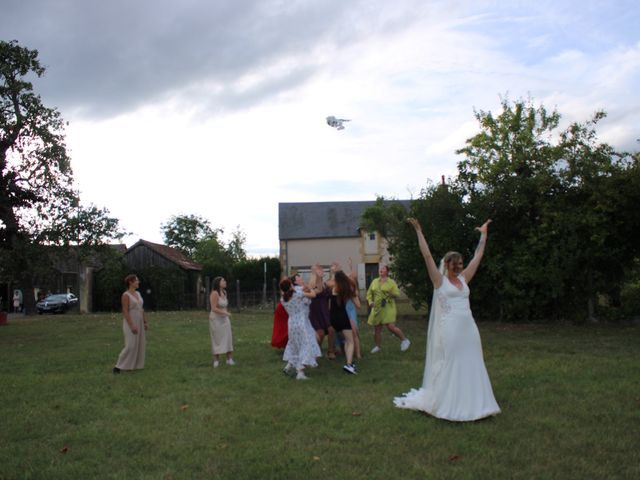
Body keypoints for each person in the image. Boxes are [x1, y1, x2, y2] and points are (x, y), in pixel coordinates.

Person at [394, 218, 501, 422]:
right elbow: (426, 255)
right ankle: (448, 403)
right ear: (447, 264)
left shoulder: (464, 278)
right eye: (456, 264)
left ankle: (477, 403)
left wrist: (483, 235)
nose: (459, 267)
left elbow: (478, 255)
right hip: (450, 329)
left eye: (461, 264)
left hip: (469, 328)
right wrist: (419, 231)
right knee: (452, 362)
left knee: (473, 361)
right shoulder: (439, 281)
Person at [281, 274, 321, 380]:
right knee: (305, 345)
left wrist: (304, 287)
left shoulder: (283, 299)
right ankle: (300, 372)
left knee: (294, 344)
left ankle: (290, 366)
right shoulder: (297, 294)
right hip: (301, 323)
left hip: (291, 324)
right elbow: (313, 295)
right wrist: (310, 289)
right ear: (290, 286)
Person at [366, 265, 410, 353]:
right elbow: (369, 293)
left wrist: (391, 293)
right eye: (380, 269)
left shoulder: (391, 282)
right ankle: (378, 346)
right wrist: (370, 302)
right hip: (377, 308)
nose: (380, 270)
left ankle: (404, 340)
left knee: (391, 327)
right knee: (377, 329)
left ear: (387, 271)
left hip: (388, 307)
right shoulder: (375, 281)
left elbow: (397, 294)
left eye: (383, 269)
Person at [113, 274, 148, 373]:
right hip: (131, 321)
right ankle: (117, 367)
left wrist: (145, 322)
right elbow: (125, 310)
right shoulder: (125, 295)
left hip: (140, 321)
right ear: (130, 282)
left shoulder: (138, 294)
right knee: (130, 345)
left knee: (139, 344)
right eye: (136, 280)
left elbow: (141, 309)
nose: (138, 282)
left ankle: (132, 366)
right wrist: (131, 325)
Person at [330, 270, 359, 374]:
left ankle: (349, 362)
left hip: (333, 318)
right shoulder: (347, 289)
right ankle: (349, 365)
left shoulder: (334, 288)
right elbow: (353, 289)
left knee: (347, 340)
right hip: (342, 317)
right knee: (350, 341)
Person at [308, 263, 336, 359]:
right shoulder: (311, 284)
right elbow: (316, 292)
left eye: (322, 269)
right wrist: (317, 277)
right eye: (319, 269)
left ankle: (331, 351)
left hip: (324, 311)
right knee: (320, 333)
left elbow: (336, 282)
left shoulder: (325, 284)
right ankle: (315, 351)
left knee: (331, 330)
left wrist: (334, 272)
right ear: (314, 272)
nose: (322, 271)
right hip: (315, 312)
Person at [209, 277, 235, 367]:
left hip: (225, 318)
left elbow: (225, 306)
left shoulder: (224, 292)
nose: (225, 282)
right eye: (223, 280)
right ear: (218, 283)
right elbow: (214, 308)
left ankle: (229, 359)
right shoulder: (214, 293)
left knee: (228, 337)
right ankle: (216, 360)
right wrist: (225, 313)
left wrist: (226, 314)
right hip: (216, 319)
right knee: (217, 339)